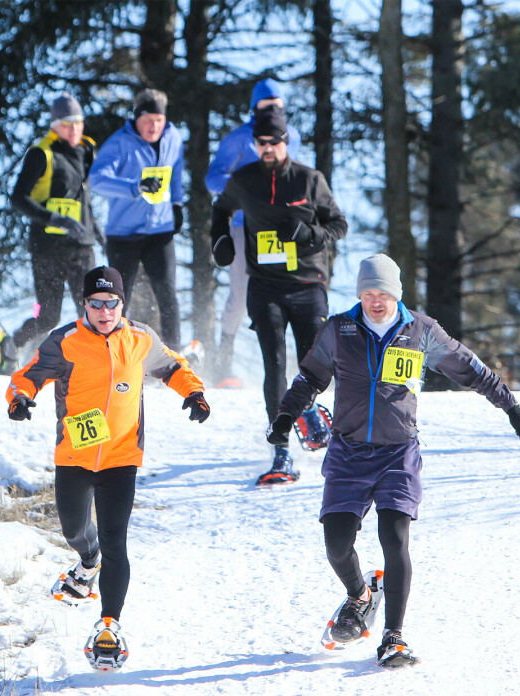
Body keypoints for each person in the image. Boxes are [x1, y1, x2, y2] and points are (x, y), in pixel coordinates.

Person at [267, 254, 520, 667]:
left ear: (397, 294)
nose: (376, 301)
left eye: (384, 293)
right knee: (337, 543)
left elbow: (469, 368)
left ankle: (394, 636)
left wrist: (511, 406)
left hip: (398, 454)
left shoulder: (420, 330)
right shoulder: (339, 329)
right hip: (348, 451)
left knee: (394, 539)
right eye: (368, 293)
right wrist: (286, 416)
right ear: (360, 295)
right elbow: (310, 377)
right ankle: (359, 595)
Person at [5, 266, 210, 670]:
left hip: (121, 455)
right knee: (74, 529)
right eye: (96, 304)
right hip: (75, 455)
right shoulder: (65, 341)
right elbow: (28, 376)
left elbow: (172, 365)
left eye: (111, 303)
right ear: (85, 305)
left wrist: (194, 393)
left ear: (121, 304)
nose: (104, 311)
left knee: (117, 540)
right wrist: (20, 398)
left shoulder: (140, 338)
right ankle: (86, 561)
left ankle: (109, 626)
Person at [210, 106, 348, 484]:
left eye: (274, 142)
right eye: (260, 142)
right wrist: (220, 240)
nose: (267, 148)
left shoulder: (309, 179)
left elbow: (339, 225)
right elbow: (220, 210)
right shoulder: (244, 179)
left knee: (313, 365)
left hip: (308, 285)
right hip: (265, 285)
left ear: (286, 142)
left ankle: (310, 408)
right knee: (274, 363)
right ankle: (281, 449)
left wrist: (310, 235)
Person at [0, 93, 102, 372]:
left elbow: (85, 199)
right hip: (47, 248)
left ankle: (93, 365)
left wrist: (100, 233)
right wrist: (56, 219)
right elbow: (18, 198)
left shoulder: (87, 151)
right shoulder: (40, 153)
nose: (74, 129)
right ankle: (12, 344)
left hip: (81, 246)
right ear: (54, 125)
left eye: (78, 123)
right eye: (67, 124)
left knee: (91, 309)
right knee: (49, 317)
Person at [205, 79, 302, 386]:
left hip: (280, 231)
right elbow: (213, 178)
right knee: (241, 294)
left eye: (278, 105)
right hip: (243, 228)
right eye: (266, 105)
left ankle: (284, 367)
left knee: (285, 294)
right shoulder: (238, 139)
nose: (272, 110)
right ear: (253, 108)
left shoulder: (293, 136)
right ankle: (225, 360)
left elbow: (298, 175)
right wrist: (245, 194)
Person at [88, 89, 185, 349]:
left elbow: (175, 172)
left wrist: (177, 204)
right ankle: (113, 351)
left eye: (159, 120)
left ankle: (173, 355)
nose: (154, 126)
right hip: (124, 234)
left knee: (167, 293)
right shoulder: (120, 142)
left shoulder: (173, 137)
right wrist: (135, 186)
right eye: (147, 120)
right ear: (136, 119)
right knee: (119, 297)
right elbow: (97, 179)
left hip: (160, 231)